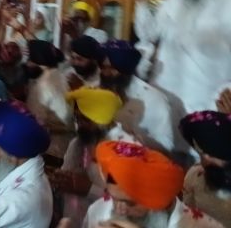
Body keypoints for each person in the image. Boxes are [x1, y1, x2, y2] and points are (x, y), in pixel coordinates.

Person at [132, 0, 231, 114]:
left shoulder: (227, 2)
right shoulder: (173, 1)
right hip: (166, 92)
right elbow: (148, 34)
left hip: (209, 96)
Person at [84, 140, 223, 227]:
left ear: (158, 200)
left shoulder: (202, 225)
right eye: (113, 197)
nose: (119, 209)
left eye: (129, 203)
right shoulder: (97, 211)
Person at [52, 88, 134, 227]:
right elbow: (67, 177)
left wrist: (89, 189)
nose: (79, 125)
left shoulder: (124, 150)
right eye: (77, 118)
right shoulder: (78, 142)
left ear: (103, 119)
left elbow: (128, 202)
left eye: (85, 119)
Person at [100, 40, 186, 157]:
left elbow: (166, 146)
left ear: (125, 70)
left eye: (112, 68)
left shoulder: (153, 98)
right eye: (103, 67)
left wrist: (132, 136)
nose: (106, 73)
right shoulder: (98, 90)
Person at [180, 110, 231, 226]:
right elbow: (188, 205)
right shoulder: (195, 175)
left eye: (202, 152)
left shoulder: (195, 174)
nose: (203, 158)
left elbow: (188, 207)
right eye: (199, 152)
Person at [24, 40, 70, 157]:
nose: (27, 64)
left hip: (50, 149)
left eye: (30, 60)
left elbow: (36, 121)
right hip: (63, 146)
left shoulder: (43, 85)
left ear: (39, 61)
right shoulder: (60, 76)